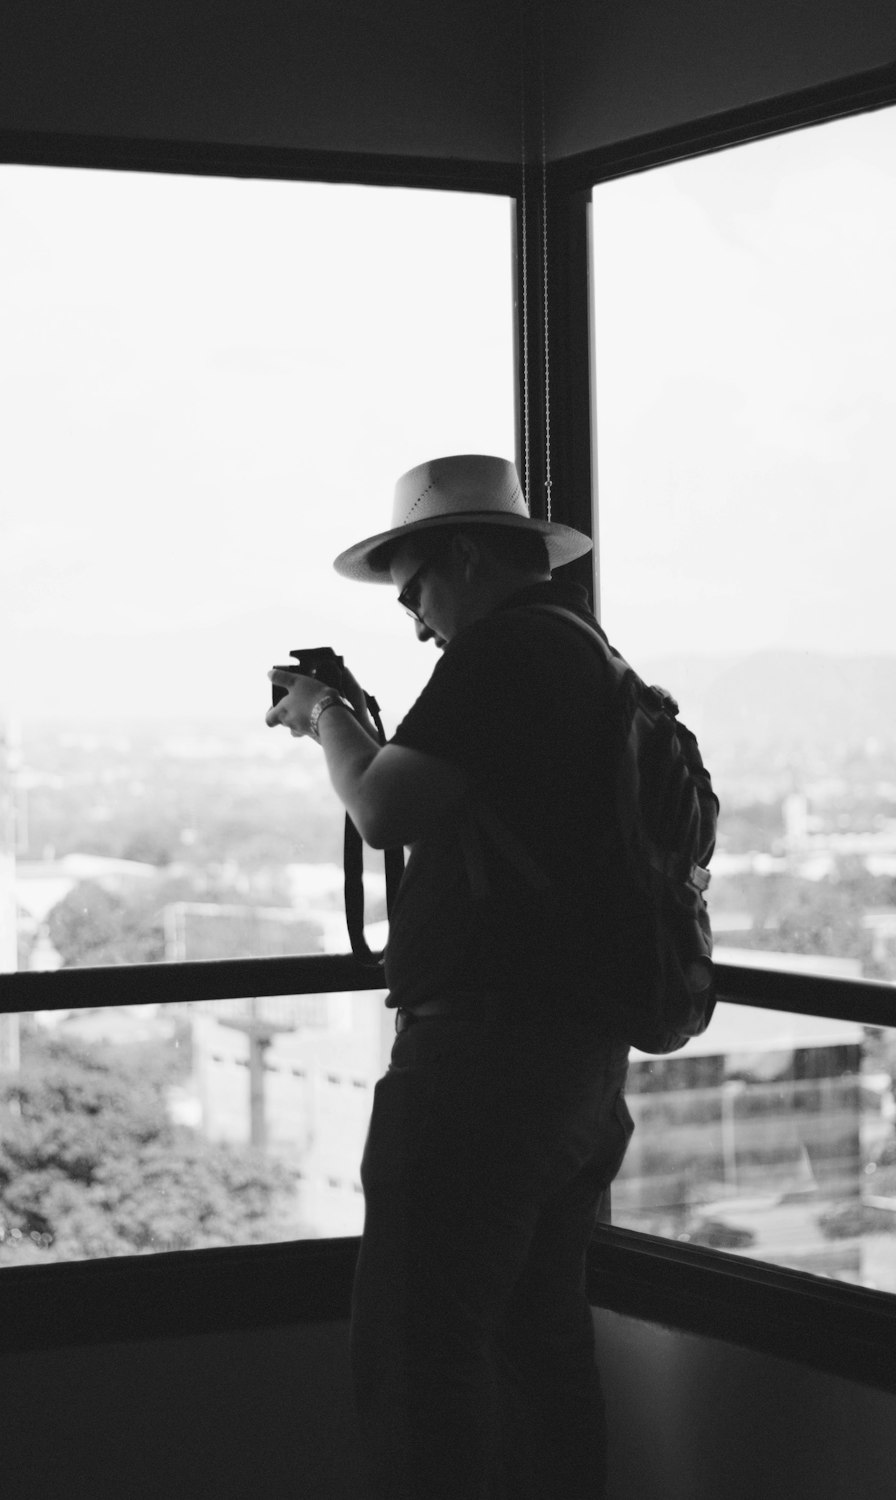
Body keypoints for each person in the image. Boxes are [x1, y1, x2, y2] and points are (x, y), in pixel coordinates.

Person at [266, 454, 634, 1500]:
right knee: (536, 1348)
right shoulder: (583, 653)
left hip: (484, 1066)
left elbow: (383, 807)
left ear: (466, 555)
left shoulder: (506, 653)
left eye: (416, 588)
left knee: (418, 1356)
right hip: (571, 1059)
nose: (418, 622)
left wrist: (325, 717)